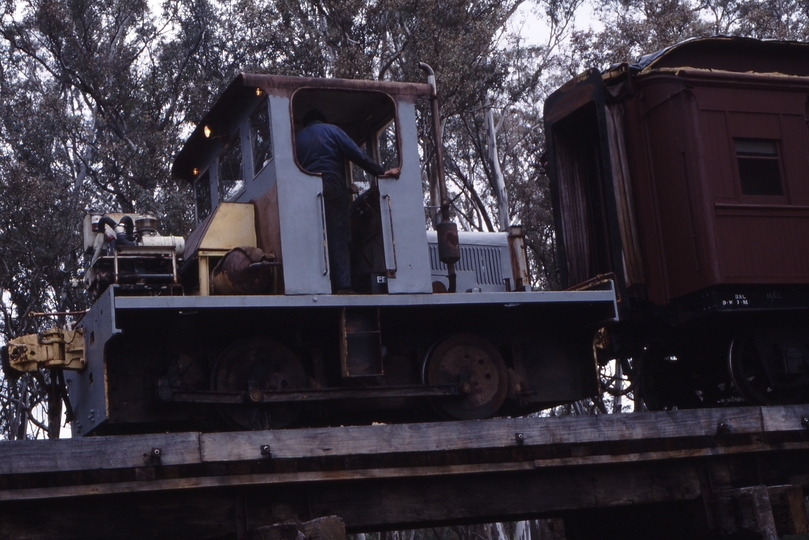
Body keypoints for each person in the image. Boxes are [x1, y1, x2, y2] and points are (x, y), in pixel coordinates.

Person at [295, 109, 400, 293]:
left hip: (304, 191)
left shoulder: (296, 139)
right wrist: (381, 172)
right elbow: (357, 155)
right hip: (333, 185)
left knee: (312, 238)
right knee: (338, 235)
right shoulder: (332, 131)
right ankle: (343, 286)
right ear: (322, 120)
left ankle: (312, 286)